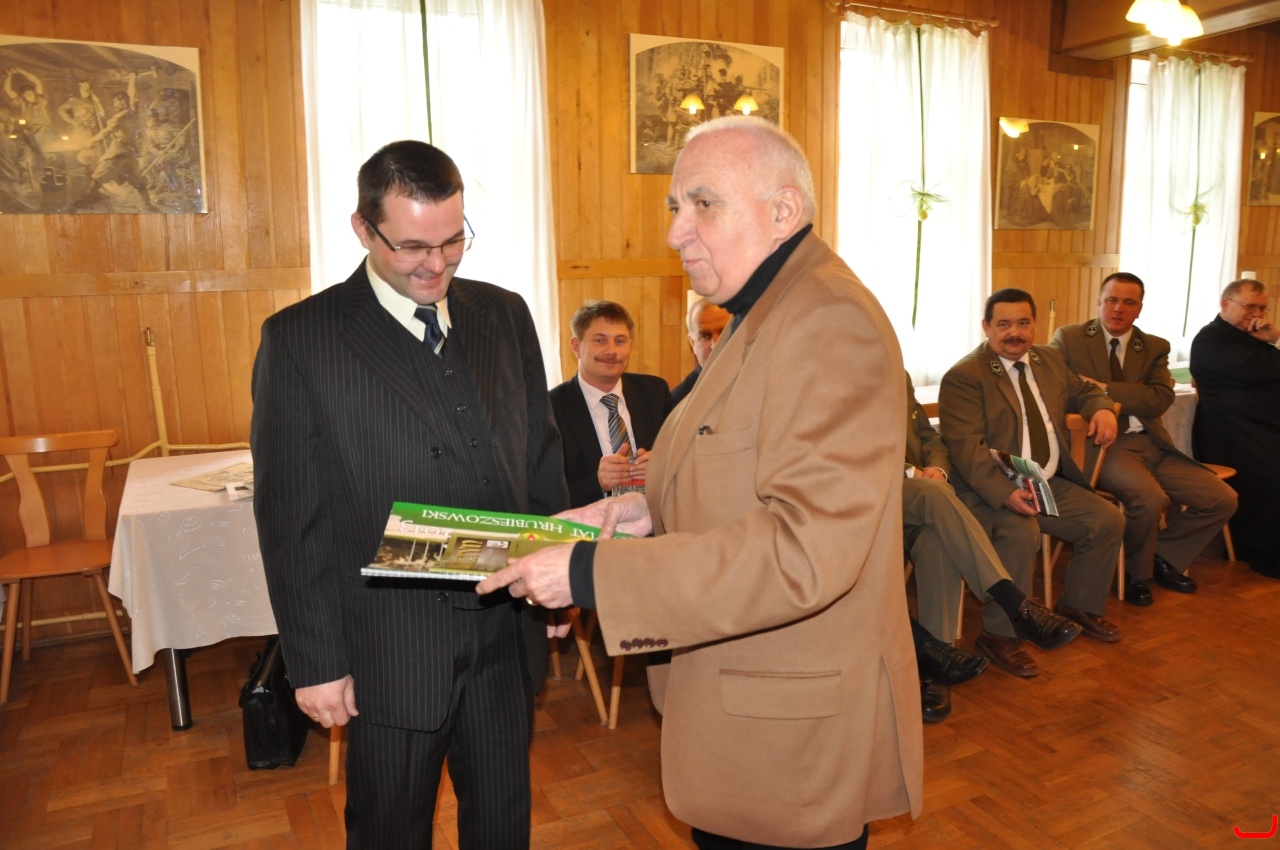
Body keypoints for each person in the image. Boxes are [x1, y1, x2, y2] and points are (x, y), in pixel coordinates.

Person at [479, 116, 922, 850]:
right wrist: (633, 511)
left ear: (783, 210)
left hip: (788, 728)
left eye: (703, 204)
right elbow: (733, 470)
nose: (675, 232)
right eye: (674, 207)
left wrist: (591, 573)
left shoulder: (827, 319)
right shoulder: (763, 311)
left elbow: (804, 551)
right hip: (743, 699)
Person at [251, 140, 569, 849]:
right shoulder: (302, 339)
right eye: (414, 247)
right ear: (363, 230)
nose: (437, 264)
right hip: (388, 648)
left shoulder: (505, 314)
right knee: (389, 831)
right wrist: (316, 661)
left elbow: (540, 459)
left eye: (453, 241)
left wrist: (562, 575)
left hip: (503, 630)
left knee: (503, 825)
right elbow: (291, 517)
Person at [939, 288, 1125, 675]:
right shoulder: (965, 377)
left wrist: (1103, 409)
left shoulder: (1048, 360)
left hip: (1047, 483)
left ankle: (1078, 605)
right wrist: (1006, 492)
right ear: (986, 327)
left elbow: (1085, 391)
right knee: (1020, 534)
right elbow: (967, 451)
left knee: (1107, 519)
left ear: (1035, 325)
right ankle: (999, 635)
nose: (1015, 333)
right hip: (989, 489)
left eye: (1023, 323)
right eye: (1004, 324)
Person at [1051, 272, 1237, 603]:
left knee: (1221, 498)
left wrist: (1103, 387)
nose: (1118, 309)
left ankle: (1163, 556)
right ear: (1099, 302)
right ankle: (1136, 574)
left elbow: (1159, 399)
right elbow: (1061, 392)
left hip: (1154, 444)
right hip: (1105, 446)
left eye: (1128, 302)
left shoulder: (1153, 346)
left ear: (1139, 309)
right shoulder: (1069, 338)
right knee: (1149, 500)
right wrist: (1132, 393)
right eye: (1112, 300)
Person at [903, 373, 1081, 700]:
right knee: (935, 495)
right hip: (866, 498)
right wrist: (912, 473)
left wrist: (937, 469)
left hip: (919, 499)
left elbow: (928, 435)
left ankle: (935, 667)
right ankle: (1014, 602)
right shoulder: (831, 374)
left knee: (936, 541)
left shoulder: (896, 374)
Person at [1190, 278, 1280, 578]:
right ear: (1225, 304)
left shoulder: (1254, 338)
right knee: (1275, 471)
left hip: (1261, 430)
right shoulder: (1210, 339)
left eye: (1262, 308)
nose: (1257, 314)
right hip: (1230, 435)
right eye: (1250, 306)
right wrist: (1269, 348)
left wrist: (1273, 341)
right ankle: (1261, 551)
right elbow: (1254, 370)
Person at [550, 300, 674, 507]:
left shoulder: (655, 392)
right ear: (576, 346)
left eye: (620, 341)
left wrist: (662, 467)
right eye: (600, 340)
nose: (611, 351)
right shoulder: (550, 409)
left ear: (630, 345)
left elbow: (683, 459)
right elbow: (544, 495)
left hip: (653, 518)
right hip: (589, 523)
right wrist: (597, 483)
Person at [670, 296, 729, 403]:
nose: (715, 345)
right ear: (692, 343)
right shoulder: (679, 403)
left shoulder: (758, 378)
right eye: (704, 336)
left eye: (723, 332)